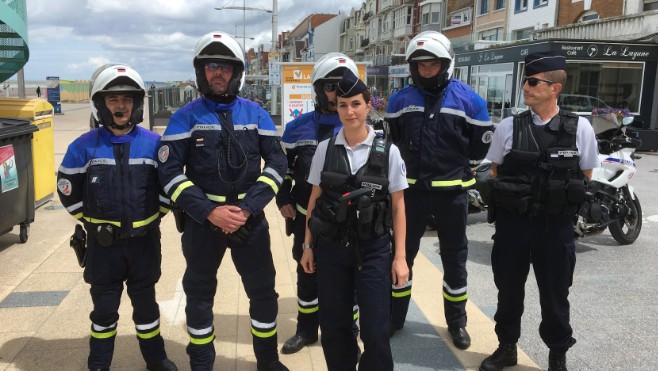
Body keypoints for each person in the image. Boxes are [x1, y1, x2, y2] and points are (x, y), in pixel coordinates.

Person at [157, 31, 288, 371]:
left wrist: (247, 209)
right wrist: (210, 211)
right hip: (204, 224)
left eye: (225, 67)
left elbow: (277, 164)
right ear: (202, 71)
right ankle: (202, 363)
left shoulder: (257, 114)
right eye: (211, 66)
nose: (218, 73)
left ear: (236, 72)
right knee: (199, 296)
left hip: (250, 222)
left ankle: (267, 360)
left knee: (263, 294)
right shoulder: (184, 116)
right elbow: (169, 172)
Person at [480, 51, 599, 371]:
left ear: (554, 88)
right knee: (508, 292)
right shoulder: (508, 127)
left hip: (556, 228)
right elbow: (495, 172)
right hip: (513, 226)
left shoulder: (580, 129)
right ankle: (507, 348)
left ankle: (557, 355)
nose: (526, 87)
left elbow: (586, 175)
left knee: (555, 296)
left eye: (533, 82)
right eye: (525, 81)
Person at [56, 64, 177, 371]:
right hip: (103, 247)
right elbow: (68, 191)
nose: (121, 106)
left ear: (137, 103)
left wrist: (153, 219)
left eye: (126, 99)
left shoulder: (153, 143)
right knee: (104, 312)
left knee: (147, 307)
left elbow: (168, 187)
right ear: (101, 104)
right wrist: (95, 224)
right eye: (113, 99)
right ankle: (98, 364)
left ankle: (156, 360)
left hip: (144, 245)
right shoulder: (83, 146)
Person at [385, 31, 493, 348]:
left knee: (455, 260)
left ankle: (456, 323)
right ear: (412, 67)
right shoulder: (399, 100)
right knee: (401, 256)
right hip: (411, 195)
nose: (426, 70)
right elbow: (392, 142)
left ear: (445, 64)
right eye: (420, 65)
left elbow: (479, 147)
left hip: (453, 196)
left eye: (432, 64)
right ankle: (395, 317)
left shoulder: (470, 100)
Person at [300, 68, 409, 371]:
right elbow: (314, 200)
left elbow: (399, 207)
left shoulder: (388, 151)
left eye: (356, 104)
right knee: (334, 327)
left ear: (367, 105)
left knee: (375, 329)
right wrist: (308, 245)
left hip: (373, 249)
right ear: (336, 108)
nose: (350, 112)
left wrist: (400, 257)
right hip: (332, 249)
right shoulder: (325, 149)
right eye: (343, 105)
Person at [277, 52, 361, 354]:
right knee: (307, 273)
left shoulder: (359, 126)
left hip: (349, 221)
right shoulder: (296, 127)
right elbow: (281, 167)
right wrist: (282, 195)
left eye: (344, 86)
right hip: (307, 218)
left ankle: (349, 330)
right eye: (330, 86)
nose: (336, 92)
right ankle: (306, 330)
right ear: (318, 88)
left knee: (349, 276)